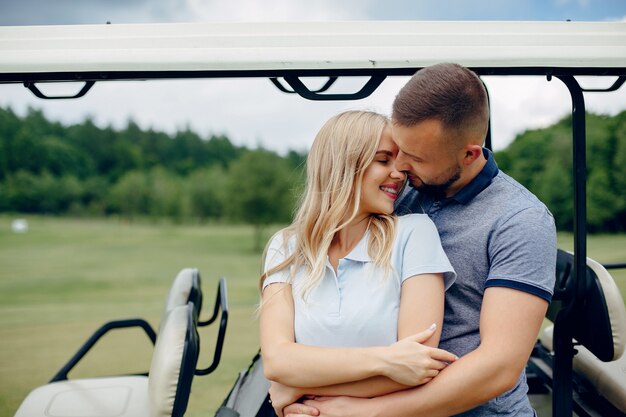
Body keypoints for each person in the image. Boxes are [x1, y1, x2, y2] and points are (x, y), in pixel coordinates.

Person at [283, 64, 557, 417]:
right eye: (397, 149)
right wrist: (299, 379)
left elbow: (498, 367)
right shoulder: (398, 192)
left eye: (415, 157)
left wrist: (367, 412)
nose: (399, 167)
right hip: (375, 390)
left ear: (470, 154)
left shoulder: (521, 221)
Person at [259, 110, 457, 417]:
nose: (399, 173)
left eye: (399, 161)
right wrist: (388, 361)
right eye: (383, 160)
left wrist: (300, 386)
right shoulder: (285, 247)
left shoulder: (415, 234)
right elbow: (277, 361)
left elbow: (419, 366)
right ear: (343, 165)